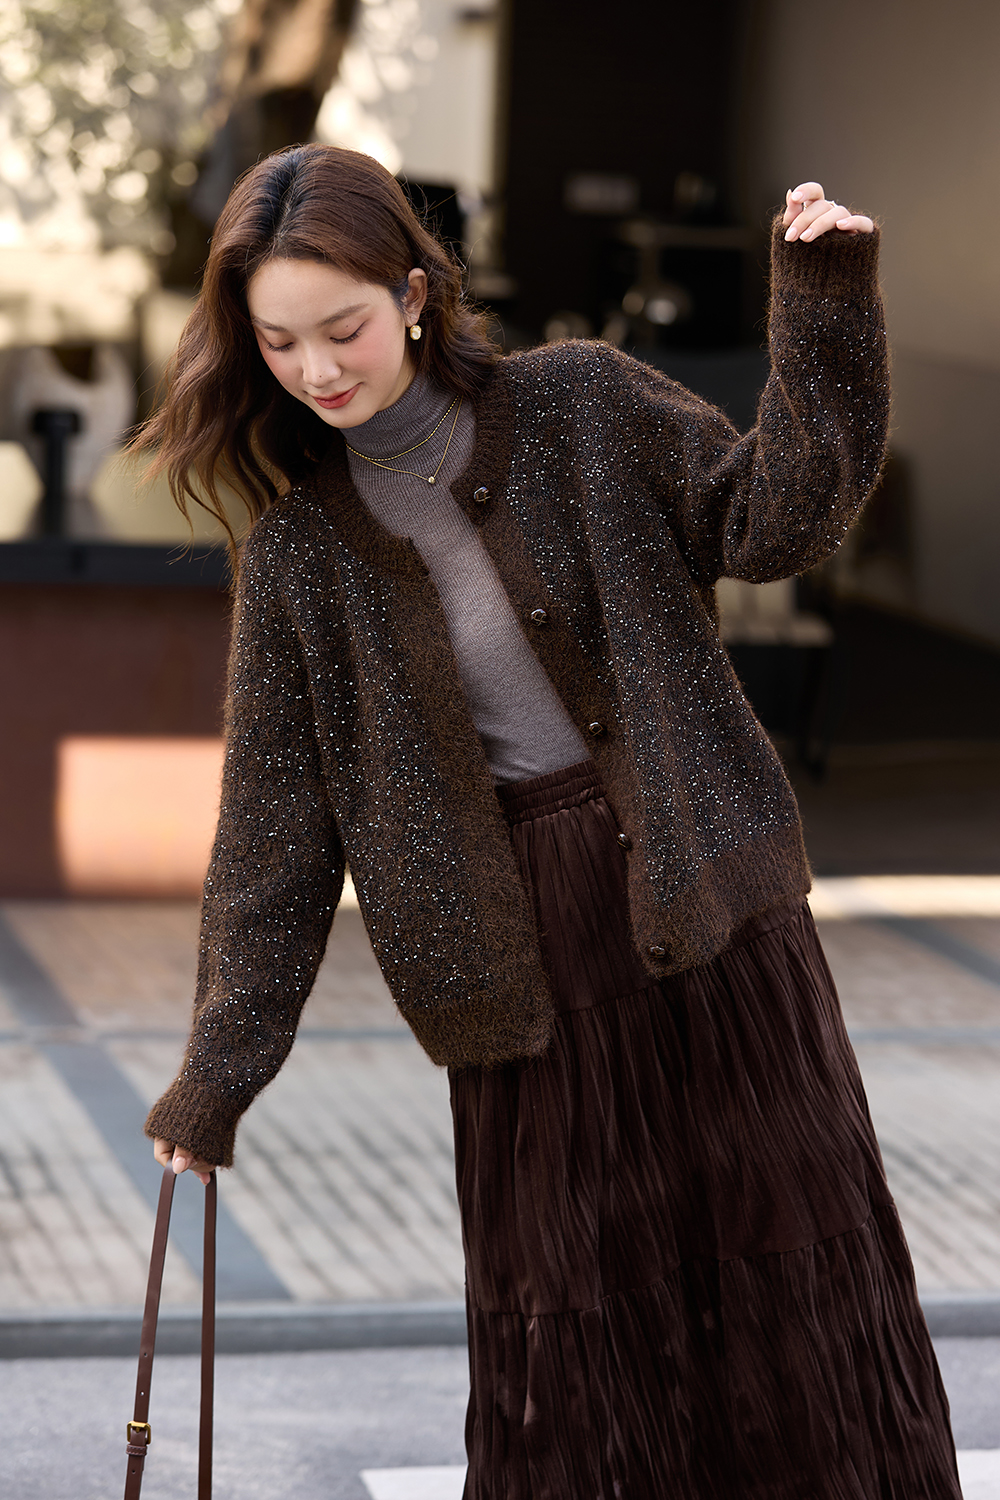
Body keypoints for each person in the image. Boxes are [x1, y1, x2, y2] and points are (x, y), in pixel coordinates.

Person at [139, 144, 961, 1497]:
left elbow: (775, 519)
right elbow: (273, 842)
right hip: (521, 976)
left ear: (412, 292)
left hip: (707, 915)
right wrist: (216, 1075)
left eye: (341, 328)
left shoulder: (581, 403)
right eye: (278, 343)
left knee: (794, 1281)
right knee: (572, 1339)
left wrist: (820, 305)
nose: (317, 370)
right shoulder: (299, 559)